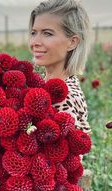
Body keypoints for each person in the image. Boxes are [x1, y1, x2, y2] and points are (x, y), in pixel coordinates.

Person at [29, 0, 91, 134]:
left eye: (47, 33)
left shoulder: (62, 97)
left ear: (72, 42)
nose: (35, 42)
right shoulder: (47, 85)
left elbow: (64, 153)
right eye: (34, 33)